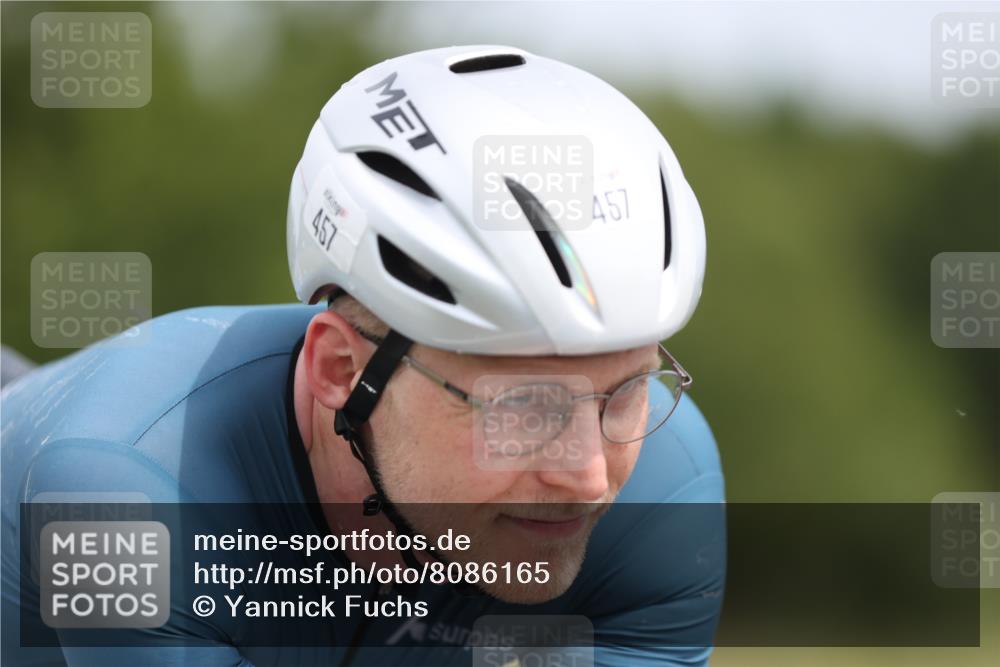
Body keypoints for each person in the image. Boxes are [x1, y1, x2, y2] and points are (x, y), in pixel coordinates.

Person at [1, 45, 725, 666]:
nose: (590, 476)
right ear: (342, 372)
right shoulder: (120, 499)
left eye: (627, 390)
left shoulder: (668, 487)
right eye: (527, 405)